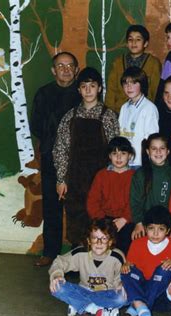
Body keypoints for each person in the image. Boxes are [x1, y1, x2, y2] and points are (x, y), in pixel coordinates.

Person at [53, 67, 119, 247]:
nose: (88, 90)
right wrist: (61, 179)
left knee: (99, 219)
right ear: (79, 90)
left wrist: (112, 178)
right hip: (75, 179)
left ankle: (100, 261)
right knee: (76, 219)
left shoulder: (109, 116)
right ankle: (78, 260)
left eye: (92, 86)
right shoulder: (70, 116)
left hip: (101, 178)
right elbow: (60, 149)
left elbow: (116, 151)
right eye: (84, 86)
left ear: (99, 88)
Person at [30, 52, 81, 267]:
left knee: (78, 206)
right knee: (52, 205)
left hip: (78, 159)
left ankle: (80, 254)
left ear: (76, 70)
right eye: (61, 66)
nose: (66, 69)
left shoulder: (83, 92)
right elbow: (36, 126)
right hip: (51, 156)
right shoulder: (44, 93)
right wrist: (55, 142)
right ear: (53, 70)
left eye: (70, 66)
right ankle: (50, 251)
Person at [118, 206, 171, 316]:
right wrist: (126, 267)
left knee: (165, 268)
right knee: (126, 271)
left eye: (160, 229)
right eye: (151, 228)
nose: (155, 233)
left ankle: (133, 311)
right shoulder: (136, 244)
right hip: (140, 290)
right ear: (145, 228)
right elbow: (131, 270)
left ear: (168, 230)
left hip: (162, 300)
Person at [48, 219, 126, 316]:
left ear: (110, 241)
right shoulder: (81, 253)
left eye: (104, 238)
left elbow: (121, 277)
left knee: (122, 298)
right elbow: (59, 262)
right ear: (89, 240)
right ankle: (100, 309)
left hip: (107, 293)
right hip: (84, 291)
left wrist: (121, 284)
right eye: (95, 238)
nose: (99, 243)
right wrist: (57, 275)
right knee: (57, 287)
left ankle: (80, 305)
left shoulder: (117, 256)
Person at [86, 136, 135, 254]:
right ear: (109, 156)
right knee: (100, 244)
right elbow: (92, 201)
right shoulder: (102, 175)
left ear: (129, 155)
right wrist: (103, 221)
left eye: (123, 153)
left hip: (126, 220)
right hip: (104, 219)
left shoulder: (135, 176)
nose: (118, 157)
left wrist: (124, 219)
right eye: (114, 153)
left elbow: (136, 202)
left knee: (124, 247)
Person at [130, 134, 171, 240]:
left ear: (168, 151)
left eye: (162, 148)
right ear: (147, 151)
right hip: (146, 222)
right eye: (154, 149)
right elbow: (135, 201)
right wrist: (138, 223)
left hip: (166, 223)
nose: (158, 152)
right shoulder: (140, 174)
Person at [105, 25, 161, 111]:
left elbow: (155, 91)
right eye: (130, 39)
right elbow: (111, 91)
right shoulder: (117, 62)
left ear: (145, 43)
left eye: (138, 39)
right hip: (119, 110)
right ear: (127, 43)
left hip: (143, 111)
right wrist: (110, 113)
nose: (133, 43)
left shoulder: (153, 63)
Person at [118, 66, 159, 168]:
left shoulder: (149, 108)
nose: (129, 87)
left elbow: (151, 138)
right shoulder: (124, 107)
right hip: (125, 161)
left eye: (134, 83)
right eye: (126, 83)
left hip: (139, 162)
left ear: (142, 84)